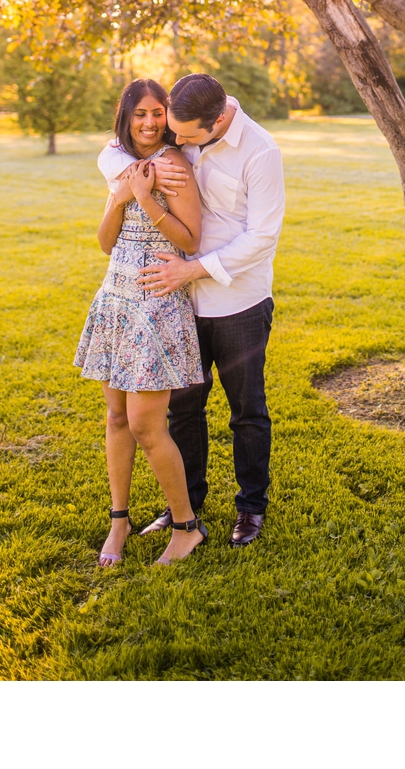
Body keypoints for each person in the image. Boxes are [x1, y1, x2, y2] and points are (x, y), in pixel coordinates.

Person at [99, 72, 285, 549]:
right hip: (177, 302)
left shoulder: (260, 152)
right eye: (173, 132)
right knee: (183, 408)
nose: (174, 140)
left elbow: (262, 238)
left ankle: (251, 508)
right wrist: (142, 177)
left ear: (218, 120)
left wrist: (194, 269)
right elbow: (116, 153)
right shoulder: (188, 125)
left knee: (247, 409)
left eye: (185, 137)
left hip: (236, 298)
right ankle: (187, 506)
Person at [76, 79, 208, 566]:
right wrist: (122, 195)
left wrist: (147, 198)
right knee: (115, 418)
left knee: (147, 425)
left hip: (156, 303)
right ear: (126, 118)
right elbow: (106, 242)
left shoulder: (176, 167)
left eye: (158, 113)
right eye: (141, 115)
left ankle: (186, 526)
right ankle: (120, 521)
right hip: (116, 298)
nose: (150, 123)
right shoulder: (124, 168)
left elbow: (191, 241)